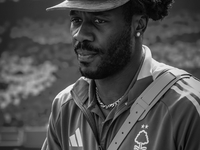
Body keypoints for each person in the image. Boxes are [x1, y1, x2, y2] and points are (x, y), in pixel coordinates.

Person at [42, 0, 200, 150]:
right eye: (76, 20)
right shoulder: (65, 106)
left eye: (99, 21)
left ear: (138, 25)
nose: (80, 35)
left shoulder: (186, 107)